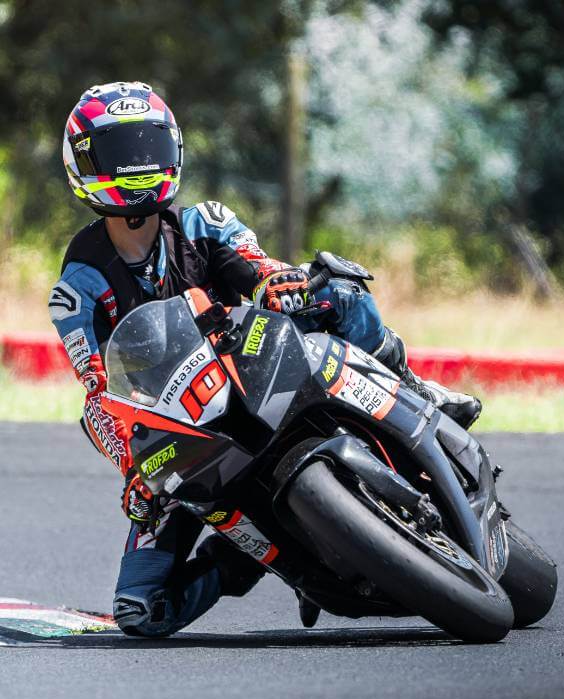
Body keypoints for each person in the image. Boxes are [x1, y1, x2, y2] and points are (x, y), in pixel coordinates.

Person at [50, 81, 481, 637]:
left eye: (146, 150)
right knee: (143, 610)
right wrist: (135, 472)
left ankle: (416, 388)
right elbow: (98, 396)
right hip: (189, 435)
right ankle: (253, 553)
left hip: (260, 367)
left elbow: (261, 266)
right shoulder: (77, 288)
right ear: (81, 163)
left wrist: (281, 283)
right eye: (119, 155)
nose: (137, 167)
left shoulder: (206, 220)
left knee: (339, 290)